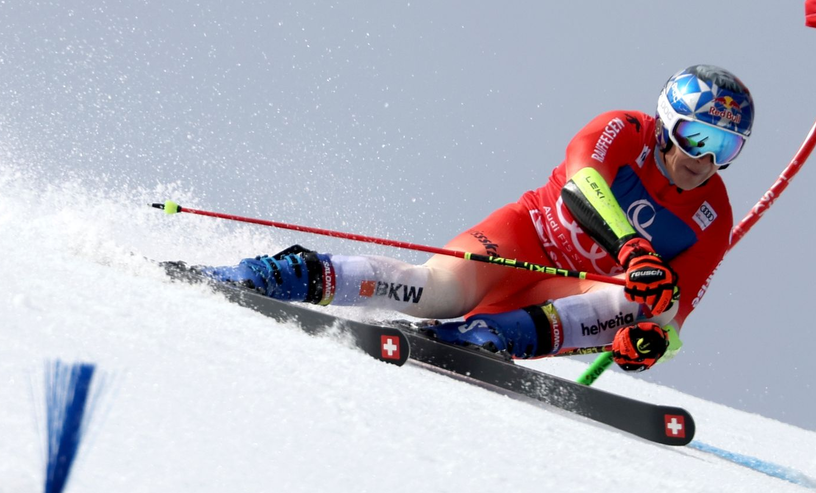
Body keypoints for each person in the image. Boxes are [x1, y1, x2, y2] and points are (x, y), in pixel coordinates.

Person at [202, 64, 754, 372]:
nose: (703, 160)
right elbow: (583, 188)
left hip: (566, 294)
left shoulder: (714, 215)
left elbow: (674, 321)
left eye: (724, 148)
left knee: (642, 300)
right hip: (523, 240)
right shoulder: (624, 129)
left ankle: (488, 336)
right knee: (436, 290)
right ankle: (288, 274)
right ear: (666, 123)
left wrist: (647, 346)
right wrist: (633, 247)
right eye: (695, 137)